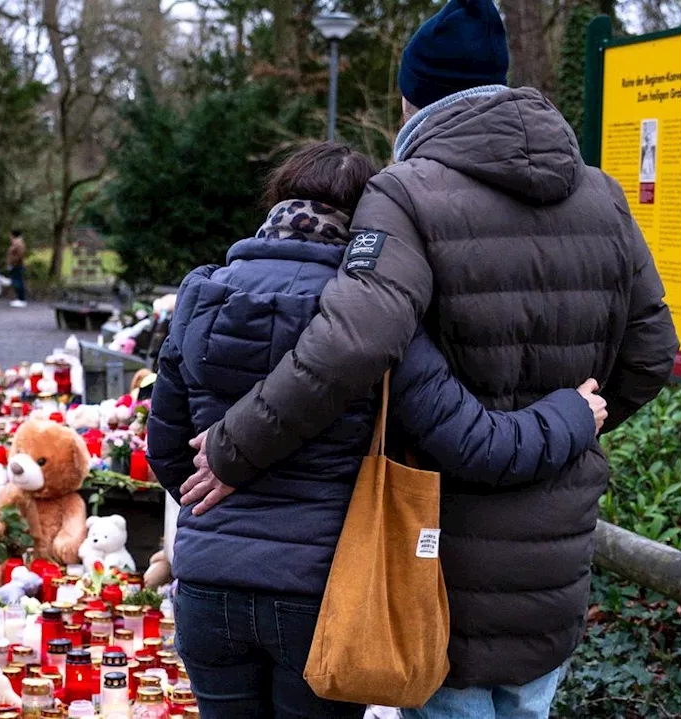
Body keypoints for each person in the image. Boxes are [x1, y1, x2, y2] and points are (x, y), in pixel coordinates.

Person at [182, 1, 679, 717]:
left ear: (414, 96)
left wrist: (234, 448)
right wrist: (573, 422)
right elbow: (652, 350)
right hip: (555, 560)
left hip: (438, 557)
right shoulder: (602, 194)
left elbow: (354, 339)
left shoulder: (406, 193)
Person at [147, 142, 609, 719]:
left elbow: (167, 451)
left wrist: (222, 510)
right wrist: (571, 414)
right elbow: (474, 443)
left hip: (207, 585)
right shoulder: (377, 317)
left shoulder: (200, 294)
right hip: (323, 595)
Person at [6, 229, 27, 308]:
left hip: (17, 265)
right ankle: (19, 299)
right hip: (15, 265)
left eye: (10, 235)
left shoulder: (18, 243)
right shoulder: (16, 243)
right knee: (16, 281)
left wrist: (13, 263)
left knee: (18, 282)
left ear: (13, 235)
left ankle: (21, 300)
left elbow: (19, 255)